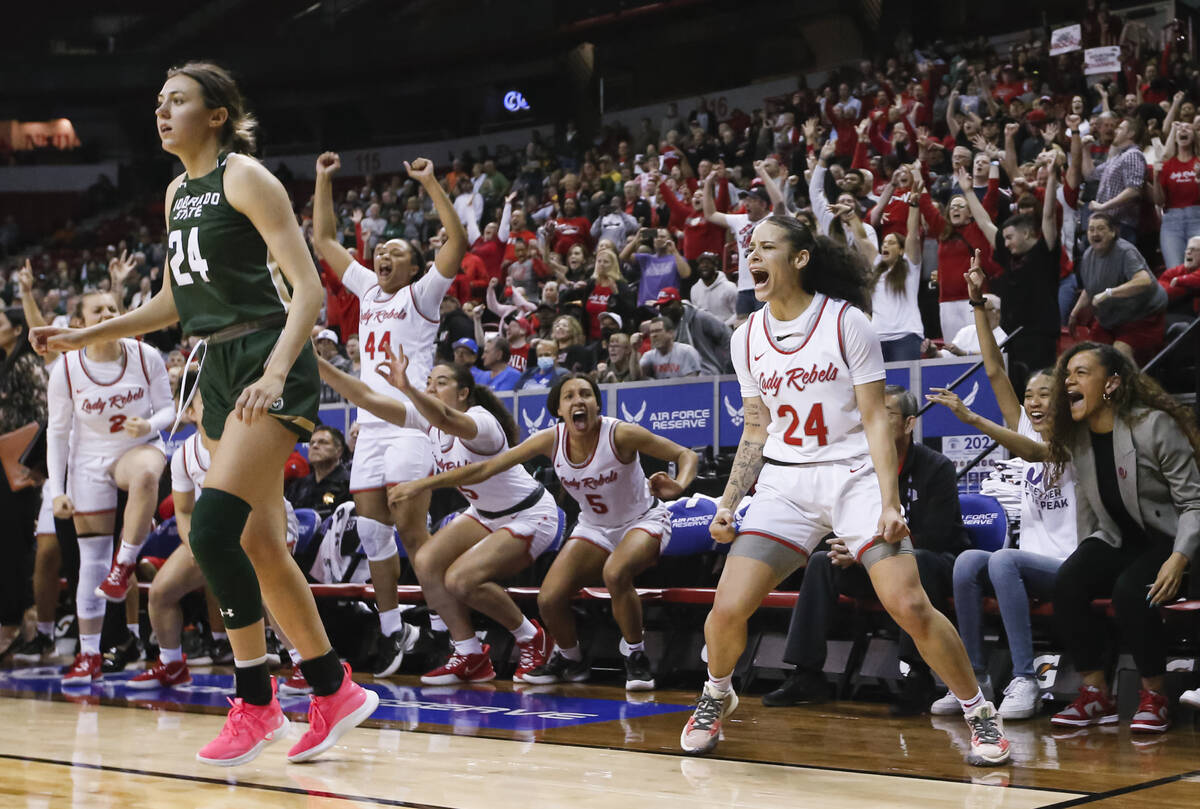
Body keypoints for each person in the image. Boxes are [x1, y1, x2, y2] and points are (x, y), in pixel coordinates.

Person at [31, 62, 376, 766]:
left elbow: (307, 288)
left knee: (212, 530)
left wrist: (278, 370)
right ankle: (333, 686)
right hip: (217, 367)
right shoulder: (175, 193)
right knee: (258, 544)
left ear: (217, 114)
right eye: (159, 102)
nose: (162, 112)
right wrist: (84, 335)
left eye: (178, 100)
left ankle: (256, 699)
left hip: (264, 356)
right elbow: (173, 304)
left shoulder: (244, 176)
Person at [678, 215, 1009, 766]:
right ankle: (716, 693)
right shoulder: (746, 338)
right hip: (785, 480)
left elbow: (878, 419)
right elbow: (756, 427)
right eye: (750, 249)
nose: (753, 257)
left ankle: (979, 713)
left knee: (908, 602)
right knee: (726, 609)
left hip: (853, 474)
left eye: (767, 247)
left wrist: (889, 501)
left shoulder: (846, 323)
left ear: (801, 257)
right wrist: (730, 501)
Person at [390, 374, 697, 691]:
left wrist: (680, 484)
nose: (578, 400)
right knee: (549, 598)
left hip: (643, 519)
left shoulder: (620, 433)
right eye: (569, 396)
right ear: (559, 410)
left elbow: (687, 455)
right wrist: (422, 484)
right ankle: (571, 658)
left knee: (616, 572)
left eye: (586, 394)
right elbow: (485, 468)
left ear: (596, 404)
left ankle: (636, 656)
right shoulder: (551, 439)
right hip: (594, 526)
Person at [311, 148, 467, 678]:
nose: (382, 257)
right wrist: (323, 179)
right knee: (374, 535)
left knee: (410, 525)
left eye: (395, 253)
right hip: (372, 426)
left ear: (415, 266)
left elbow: (459, 242)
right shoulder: (368, 292)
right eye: (380, 251)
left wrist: (429, 184)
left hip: (410, 420)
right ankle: (393, 631)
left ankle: (450, 630)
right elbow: (325, 240)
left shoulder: (421, 296)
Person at [320, 349, 562, 685]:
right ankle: (470, 652)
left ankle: (531, 637)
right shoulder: (427, 421)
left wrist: (408, 389)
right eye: (429, 383)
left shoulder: (481, 421)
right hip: (486, 513)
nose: (432, 388)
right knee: (427, 560)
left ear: (463, 392)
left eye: (441, 383)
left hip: (530, 513)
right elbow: (365, 397)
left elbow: (464, 448)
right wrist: (316, 362)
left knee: (460, 580)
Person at [924, 250, 1078, 721]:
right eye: (1028, 395)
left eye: (1043, 395)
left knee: (1003, 558)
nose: (1032, 403)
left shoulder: (1078, 437)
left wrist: (973, 419)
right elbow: (993, 369)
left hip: (1070, 562)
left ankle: (1026, 679)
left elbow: (1035, 453)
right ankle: (972, 680)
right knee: (971, 560)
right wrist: (975, 305)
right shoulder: (1025, 427)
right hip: (1026, 565)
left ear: (1064, 401)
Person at [762, 386, 969, 716]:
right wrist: (853, 548)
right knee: (822, 562)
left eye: (886, 414)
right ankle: (807, 674)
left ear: (909, 423)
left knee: (920, 560)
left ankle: (918, 677)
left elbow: (939, 535)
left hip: (934, 563)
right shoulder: (860, 468)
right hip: (874, 562)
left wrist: (866, 549)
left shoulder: (936, 467)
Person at [1043, 342, 1200, 734]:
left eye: (1081, 372)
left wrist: (1180, 558)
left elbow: (1194, 503)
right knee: (1068, 582)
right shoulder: (1077, 438)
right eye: (1066, 374)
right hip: (1119, 540)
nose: (1069, 381)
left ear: (1111, 384)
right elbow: (1087, 506)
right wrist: (1084, 555)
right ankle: (1096, 694)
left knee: (1131, 591)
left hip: (1171, 538)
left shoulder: (1154, 426)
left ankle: (1155, 696)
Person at [128, 371, 304, 692]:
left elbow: (265, 505)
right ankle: (172, 663)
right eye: (210, 398)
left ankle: (305, 662)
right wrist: (195, 545)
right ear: (192, 413)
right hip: (215, 531)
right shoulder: (184, 454)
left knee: (267, 586)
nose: (223, 402)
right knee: (161, 592)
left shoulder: (251, 436)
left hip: (267, 521)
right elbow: (183, 511)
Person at [42, 290, 173, 685]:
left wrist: (148, 426)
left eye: (113, 308)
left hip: (136, 449)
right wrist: (56, 489)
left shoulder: (144, 355)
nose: (108, 314)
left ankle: (125, 564)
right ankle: (89, 654)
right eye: (98, 310)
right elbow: (57, 434)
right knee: (89, 561)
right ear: (79, 324)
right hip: (88, 461)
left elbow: (168, 407)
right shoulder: (65, 369)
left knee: (149, 472)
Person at [0, 306, 48, 657]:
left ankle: (17, 619)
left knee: (15, 543)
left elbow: (44, 414)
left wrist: (35, 465)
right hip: (1, 462)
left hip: (20, 463)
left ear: (17, 329)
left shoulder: (26, 364)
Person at [1068, 213, 1167, 364]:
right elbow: (1091, 289)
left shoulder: (1125, 251)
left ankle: (1136, 387)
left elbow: (1144, 280)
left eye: (1101, 228)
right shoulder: (1088, 256)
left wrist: (1109, 293)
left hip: (1142, 316)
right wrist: (1075, 313)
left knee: (1120, 352)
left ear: (1113, 232)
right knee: (1092, 355)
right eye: (1091, 229)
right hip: (1112, 318)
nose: (1095, 234)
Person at [869, 184, 924, 361]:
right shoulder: (876, 266)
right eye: (884, 242)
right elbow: (862, 239)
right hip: (877, 338)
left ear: (901, 250)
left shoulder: (910, 266)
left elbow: (913, 235)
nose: (885, 245)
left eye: (891, 243)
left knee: (906, 387)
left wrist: (914, 207)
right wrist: (851, 216)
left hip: (906, 336)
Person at [654, 287, 733, 375]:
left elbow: (729, 336)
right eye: (661, 306)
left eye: (668, 304)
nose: (664, 309)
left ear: (679, 303)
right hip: (676, 377)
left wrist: (727, 368)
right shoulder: (662, 328)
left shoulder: (700, 316)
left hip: (706, 374)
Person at [284, 426, 351, 520]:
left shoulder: (348, 485)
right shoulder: (297, 487)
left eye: (323, 442)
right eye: (312, 443)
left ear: (339, 451)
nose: (315, 446)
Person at [619, 227, 692, 307]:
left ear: (671, 240)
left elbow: (685, 274)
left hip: (666, 306)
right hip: (645, 306)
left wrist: (674, 250)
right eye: (656, 237)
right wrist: (637, 239)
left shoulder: (677, 259)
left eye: (663, 237)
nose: (659, 239)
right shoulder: (646, 259)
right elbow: (623, 257)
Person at [689, 251, 738, 326]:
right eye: (701, 263)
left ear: (715, 266)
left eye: (708, 263)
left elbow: (738, 312)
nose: (704, 266)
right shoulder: (694, 289)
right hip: (705, 332)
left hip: (727, 329)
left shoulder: (730, 287)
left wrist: (723, 327)